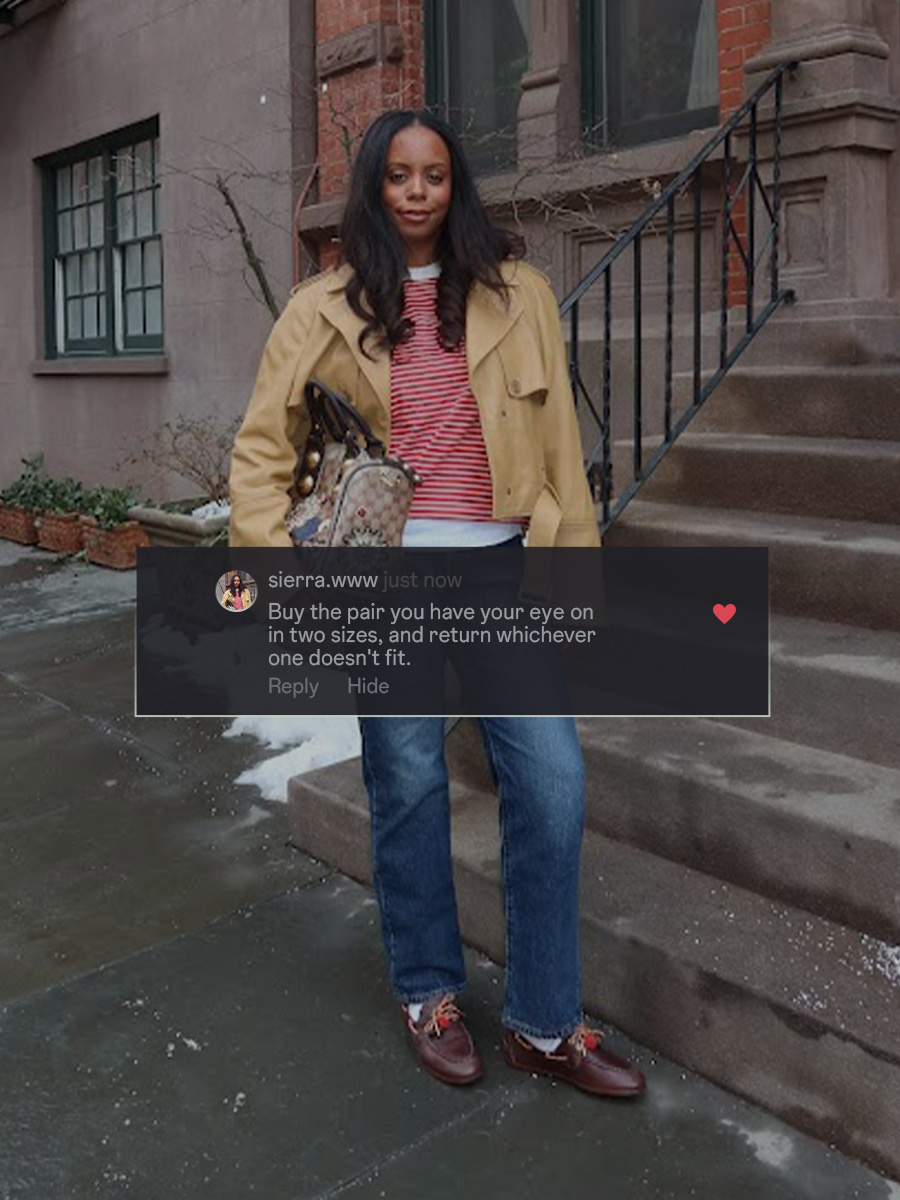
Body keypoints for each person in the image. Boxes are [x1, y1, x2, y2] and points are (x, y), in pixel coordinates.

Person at [229, 109, 645, 1099]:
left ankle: (545, 1026)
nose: (418, 191)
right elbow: (261, 447)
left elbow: (556, 456)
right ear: (374, 186)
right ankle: (428, 990)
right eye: (400, 175)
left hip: (499, 571)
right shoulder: (319, 307)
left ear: (455, 188)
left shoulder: (519, 296)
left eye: (436, 176)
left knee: (551, 782)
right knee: (408, 783)